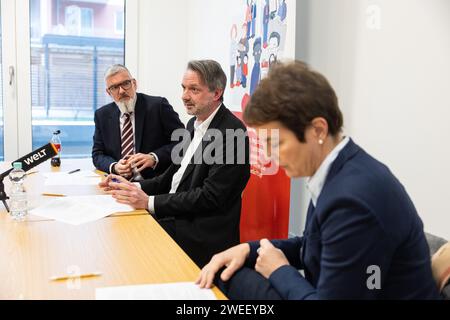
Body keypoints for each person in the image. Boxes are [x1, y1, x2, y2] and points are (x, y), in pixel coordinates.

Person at [196, 61, 440, 300]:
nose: (270, 155)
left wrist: (279, 270)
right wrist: (248, 249)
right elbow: (312, 245)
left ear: (318, 130)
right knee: (229, 271)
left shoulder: (354, 197)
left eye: (277, 143)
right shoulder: (339, 169)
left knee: (230, 277)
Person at [100, 60, 250, 267]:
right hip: (177, 216)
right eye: (184, 88)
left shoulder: (233, 134)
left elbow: (211, 197)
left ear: (216, 94)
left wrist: (149, 202)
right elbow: (170, 177)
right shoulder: (192, 124)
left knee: (124, 251)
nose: (184, 96)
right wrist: (130, 187)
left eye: (194, 89)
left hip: (200, 233)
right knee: (115, 236)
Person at [92, 64, 184, 180]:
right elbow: (97, 154)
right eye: (114, 87)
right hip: (119, 183)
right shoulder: (102, 115)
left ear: (134, 84)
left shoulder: (158, 106)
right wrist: (114, 166)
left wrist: (154, 157)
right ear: (108, 92)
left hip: (155, 183)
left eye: (125, 83)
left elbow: (184, 141)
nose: (121, 91)